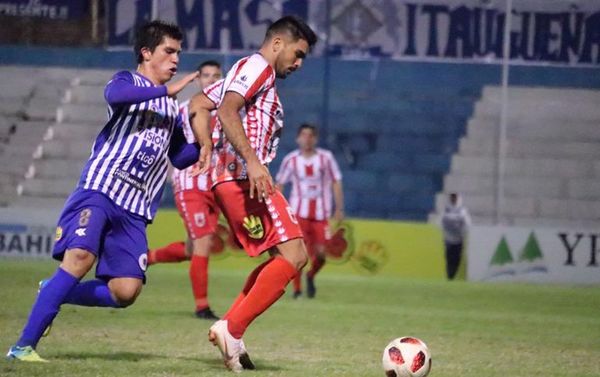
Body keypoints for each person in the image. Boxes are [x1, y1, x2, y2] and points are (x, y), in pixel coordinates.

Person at [6, 20, 205, 362]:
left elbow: (181, 157)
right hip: (101, 190)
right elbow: (115, 96)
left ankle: (54, 291)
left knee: (126, 291)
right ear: (146, 53)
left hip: (135, 209)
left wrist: (207, 138)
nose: (175, 60)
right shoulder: (128, 81)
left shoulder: (172, 111)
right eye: (168, 52)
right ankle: (22, 347)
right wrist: (166, 91)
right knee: (80, 259)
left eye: (178, 54)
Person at [188, 15, 317, 372]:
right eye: (298, 53)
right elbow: (227, 111)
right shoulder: (258, 66)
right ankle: (233, 327)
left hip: (236, 178)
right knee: (294, 255)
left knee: (287, 256)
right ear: (278, 43)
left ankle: (228, 326)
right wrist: (253, 162)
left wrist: (206, 147)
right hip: (244, 179)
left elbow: (199, 103)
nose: (299, 63)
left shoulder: (242, 72)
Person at [147, 60, 222, 320]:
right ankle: (202, 307)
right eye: (206, 76)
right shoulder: (181, 111)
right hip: (190, 184)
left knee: (193, 249)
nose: (211, 80)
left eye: (216, 76)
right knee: (202, 243)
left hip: (214, 186)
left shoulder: (228, 113)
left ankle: (147, 258)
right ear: (198, 81)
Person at [275, 123, 344, 299]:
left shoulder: (326, 158)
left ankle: (311, 275)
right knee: (298, 253)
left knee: (321, 254)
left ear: (315, 138)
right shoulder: (291, 160)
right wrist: (277, 211)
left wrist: (339, 208)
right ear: (298, 138)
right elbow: (280, 184)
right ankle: (297, 290)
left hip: (321, 215)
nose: (307, 139)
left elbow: (336, 181)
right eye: (304, 135)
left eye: (310, 135)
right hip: (298, 214)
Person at [440, 193, 471, 280]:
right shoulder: (446, 209)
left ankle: (453, 275)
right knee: (449, 259)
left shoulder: (462, 210)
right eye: (452, 198)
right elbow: (441, 221)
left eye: (455, 198)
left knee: (457, 259)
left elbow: (467, 223)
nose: (453, 199)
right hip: (448, 239)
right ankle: (450, 276)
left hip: (459, 239)